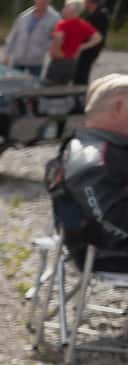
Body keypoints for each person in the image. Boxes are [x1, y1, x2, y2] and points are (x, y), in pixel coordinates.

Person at [47, 73, 128, 262]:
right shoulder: (92, 156)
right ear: (120, 107)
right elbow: (110, 219)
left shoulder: (108, 146)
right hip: (110, 251)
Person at [46, 0, 102, 85]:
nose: (63, 9)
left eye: (65, 7)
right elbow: (98, 37)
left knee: (49, 87)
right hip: (72, 62)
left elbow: (59, 37)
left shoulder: (63, 24)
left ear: (72, 10)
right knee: (63, 88)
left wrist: (56, 50)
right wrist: (82, 46)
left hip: (59, 60)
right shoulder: (83, 24)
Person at [4, 0, 57, 77]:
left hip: (36, 60)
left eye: (45, 0)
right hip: (19, 58)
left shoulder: (54, 18)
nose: (41, 2)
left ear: (49, 1)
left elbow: (55, 38)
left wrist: (43, 49)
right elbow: (13, 35)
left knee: (33, 86)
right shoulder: (24, 16)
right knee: (14, 82)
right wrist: (7, 55)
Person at [77, 0, 112, 87]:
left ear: (91, 1)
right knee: (80, 72)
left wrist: (83, 45)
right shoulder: (95, 13)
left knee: (82, 72)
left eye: (86, 0)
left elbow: (97, 34)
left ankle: (80, 96)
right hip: (89, 47)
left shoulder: (100, 14)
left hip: (91, 48)